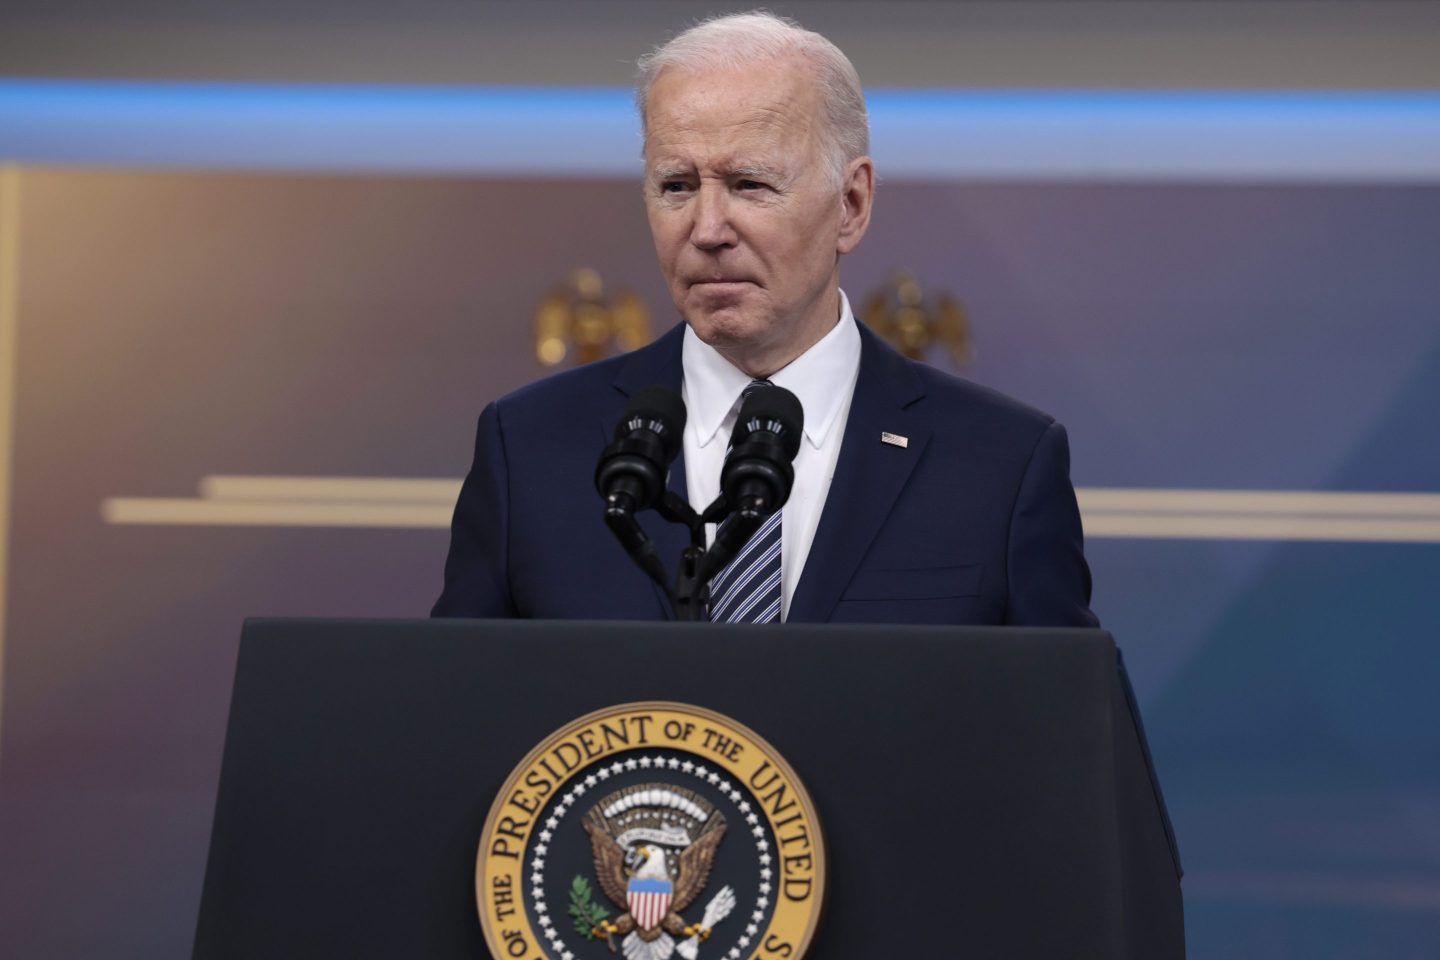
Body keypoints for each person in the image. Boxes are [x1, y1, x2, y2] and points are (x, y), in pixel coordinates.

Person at [433, 11, 1096, 627]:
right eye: (677, 186)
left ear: (852, 203)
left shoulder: (999, 465)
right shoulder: (530, 448)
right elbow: (454, 727)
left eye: (750, 184)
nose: (708, 229)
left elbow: (1069, 738)